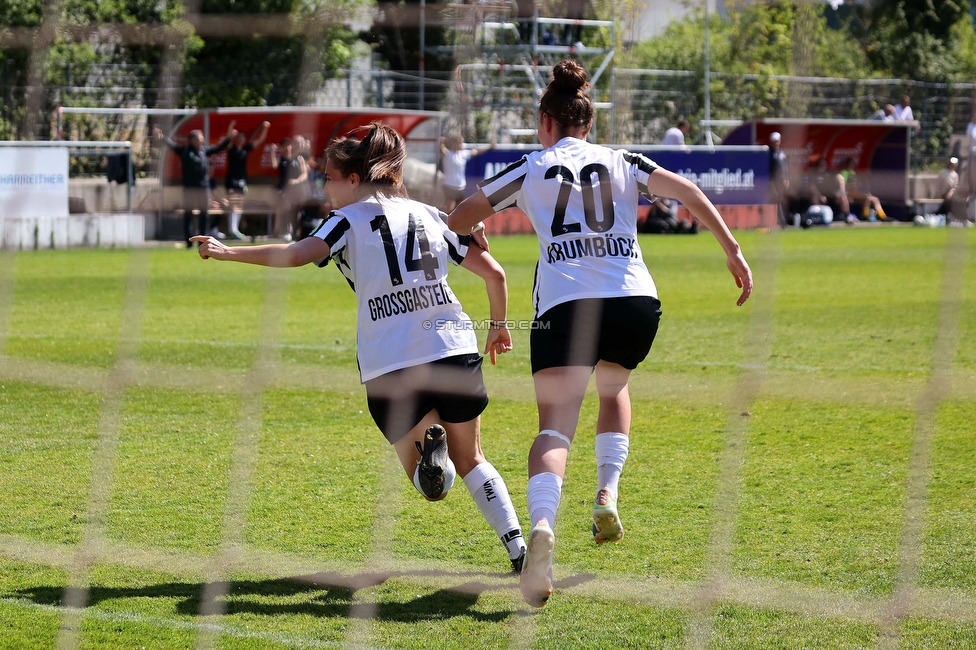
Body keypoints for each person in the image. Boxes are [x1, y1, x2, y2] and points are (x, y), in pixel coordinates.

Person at [447, 60, 752, 608]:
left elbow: (458, 217)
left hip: (565, 306)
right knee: (614, 387)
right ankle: (607, 493)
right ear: (587, 124)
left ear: (546, 122)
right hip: (634, 301)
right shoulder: (620, 160)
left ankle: (542, 527)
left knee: (554, 431)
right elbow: (685, 189)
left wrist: (478, 232)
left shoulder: (530, 166)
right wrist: (732, 249)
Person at [189, 122, 527, 574]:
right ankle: (519, 548)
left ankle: (434, 458)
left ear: (354, 179)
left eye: (329, 177)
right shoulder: (430, 214)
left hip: (390, 360)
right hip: (451, 345)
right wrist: (499, 327)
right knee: (474, 460)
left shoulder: (344, 220)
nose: (325, 187)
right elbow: (496, 275)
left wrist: (227, 252)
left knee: (431, 487)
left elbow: (295, 254)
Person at [155, 122, 235, 246]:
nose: (202, 141)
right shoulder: (185, 151)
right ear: (192, 140)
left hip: (203, 188)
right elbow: (172, 145)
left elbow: (219, 148)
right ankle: (188, 241)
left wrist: (229, 137)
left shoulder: (204, 151)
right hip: (189, 188)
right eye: (200, 139)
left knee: (204, 214)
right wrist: (162, 137)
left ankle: (202, 241)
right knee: (188, 214)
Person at [223, 120, 270, 239]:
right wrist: (231, 127)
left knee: (239, 204)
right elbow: (227, 140)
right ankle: (231, 229)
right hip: (231, 179)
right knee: (233, 204)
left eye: (242, 137)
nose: (240, 139)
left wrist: (265, 128)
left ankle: (235, 229)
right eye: (238, 137)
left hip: (241, 179)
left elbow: (260, 140)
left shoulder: (246, 149)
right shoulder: (231, 148)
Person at [439, 134, 495, 213]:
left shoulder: (463, 154)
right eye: (458, 142)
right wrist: (441, 142)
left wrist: (489, 147)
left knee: (458, 210)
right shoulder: (448, 154)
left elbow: (476, 151)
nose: (460, 144)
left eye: (461, 143)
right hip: (449, 187)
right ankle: (442, 223)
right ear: (453, 143)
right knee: (449, 208)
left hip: (460, 187)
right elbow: (442, 149)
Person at [270, 137, 310, 241]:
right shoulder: (281, 159)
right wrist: (272, 152)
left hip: (296, 190)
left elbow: (304, 174)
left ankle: (293, 232)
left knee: (295, 211)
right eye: (285, 145)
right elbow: (274, 165)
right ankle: (279, 231)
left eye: (289, 144)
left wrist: (296, 181)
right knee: (283, 210)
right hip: (283, 189)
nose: (287, 147)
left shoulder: (298, 158)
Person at [768, 132, 790, 227]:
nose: (776, 143)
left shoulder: (781, 152)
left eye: (777, 141)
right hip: (774, 181)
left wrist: (787, 178)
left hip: (782, 181)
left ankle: (784, 220)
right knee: (776, 200)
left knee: (782, 200)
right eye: (775, 141)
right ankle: (781, 221)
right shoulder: (770, 153)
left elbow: (785, 166)